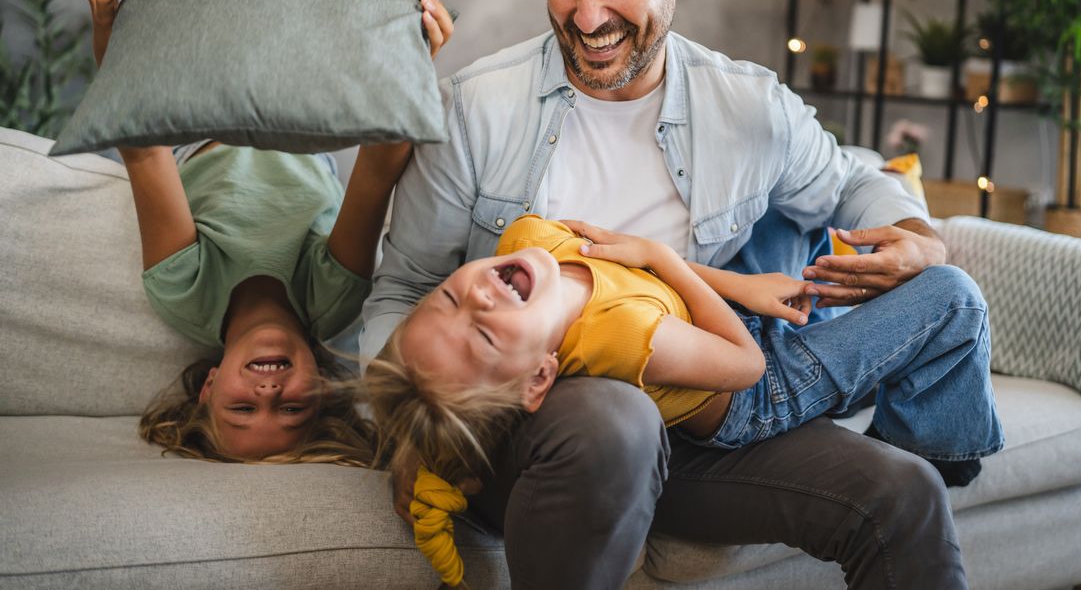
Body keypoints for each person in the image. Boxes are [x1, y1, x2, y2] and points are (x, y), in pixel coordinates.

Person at [362, 0, 988, 589]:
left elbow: (854, 184)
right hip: (544, 422)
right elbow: (403, 291)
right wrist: (408, 428)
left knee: (903, 495)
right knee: (613, 418)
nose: (587, 16)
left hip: (697, 414)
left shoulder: (749, 107)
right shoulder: (477, 110)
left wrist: (919, 241)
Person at [367, 214, 1001, 585]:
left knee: (804, 236)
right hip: (758, 394)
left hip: (730, 325)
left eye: (447, 299)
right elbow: (748, 369)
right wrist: (668, 261)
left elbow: (637, 273)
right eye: (481, 334)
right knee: (954, 298)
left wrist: (745, 289)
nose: (475, 299)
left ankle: (932, 445)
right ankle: (951, 453)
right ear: (540, 378)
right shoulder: (625, 336)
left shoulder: (530, 239)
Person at [74, 0, 455, 463]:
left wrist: (107, 27)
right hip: (302, 138)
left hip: (198, 127)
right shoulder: (334, 298)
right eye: (293, 411)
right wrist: (417, 60)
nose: (268, 397)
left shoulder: (183, 291)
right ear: (320, 387)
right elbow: (381, 164)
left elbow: (141, 144)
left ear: (210, 387)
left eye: (241, 411)